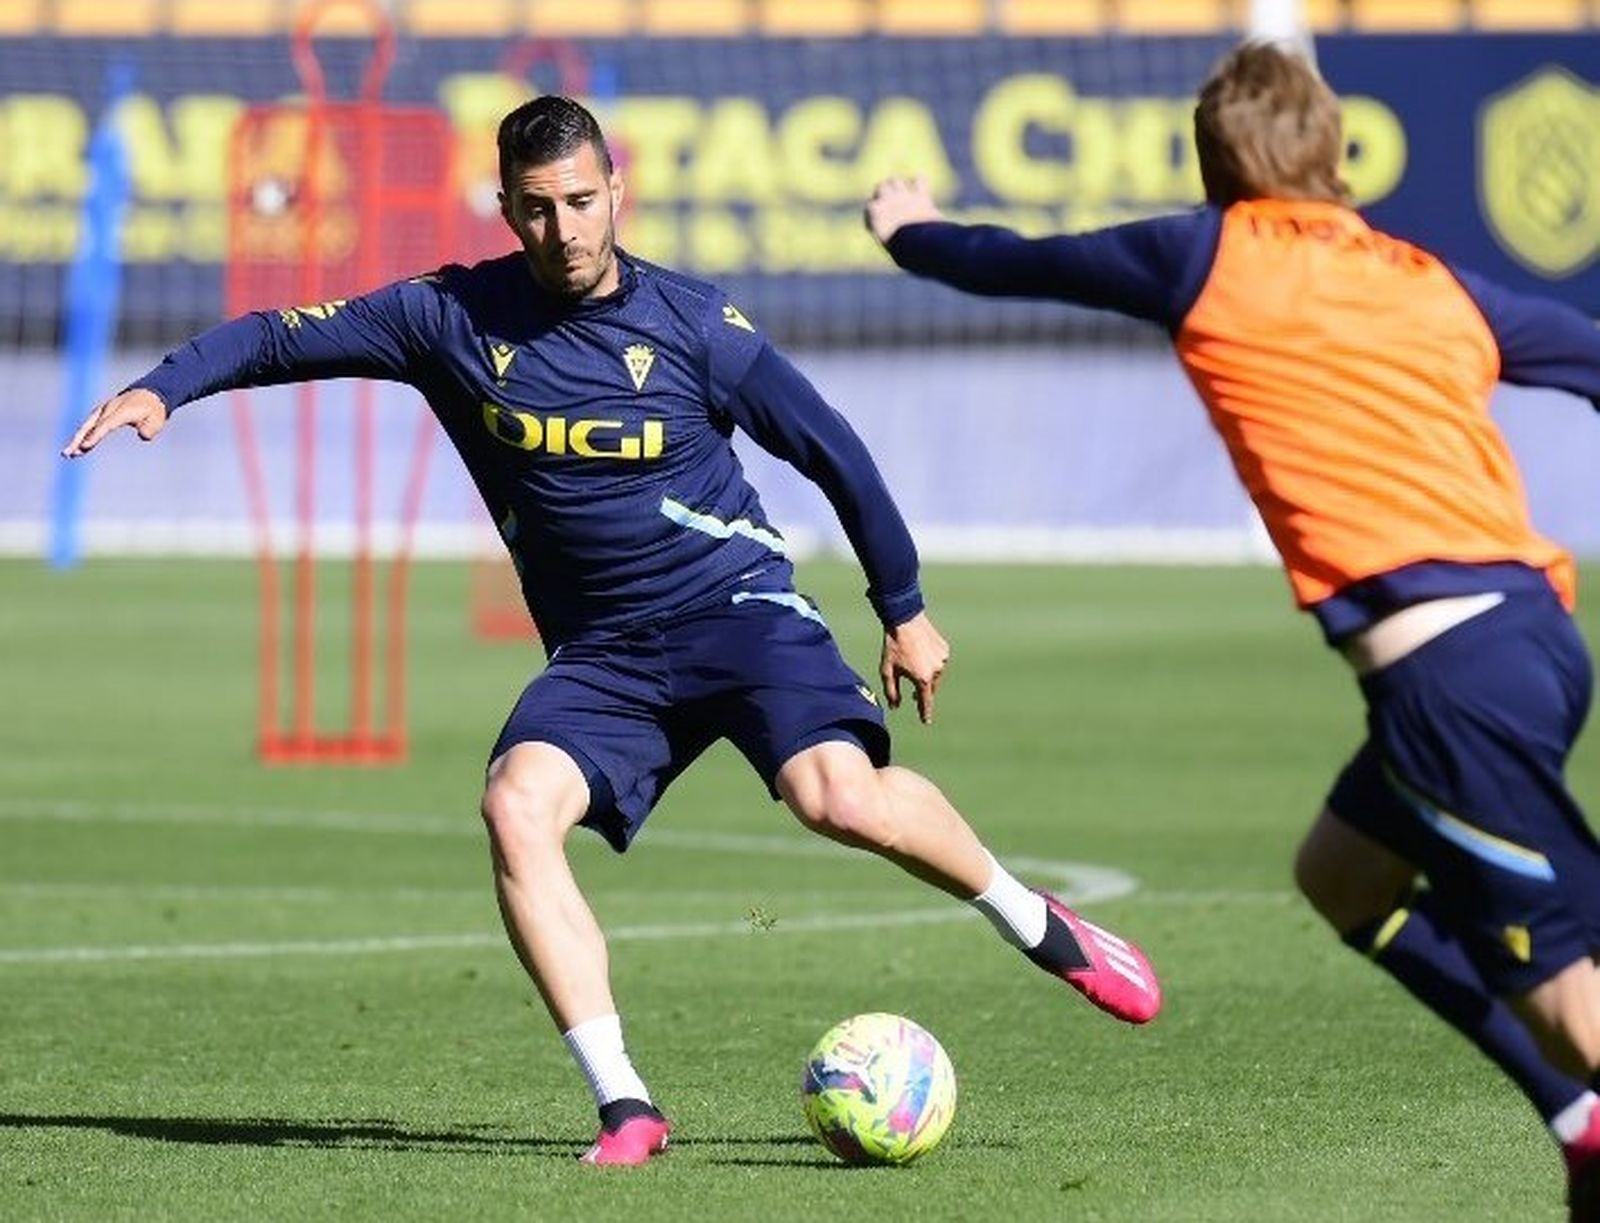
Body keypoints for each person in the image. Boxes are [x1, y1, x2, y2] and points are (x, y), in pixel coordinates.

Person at [62, 95, 1161, 1167]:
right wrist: (164, 389)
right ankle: (625, 1101)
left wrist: (905, 609)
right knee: (513, 803)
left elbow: (832, 448)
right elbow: (277, 333)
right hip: (605, 656)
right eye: (538, 207)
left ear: (616, 190)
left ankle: (1033, 921)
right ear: (506, 207)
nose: (564, 229)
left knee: (840, 798)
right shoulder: (448, 316)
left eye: (582, 200)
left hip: (737, 608)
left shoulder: (693, 323)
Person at [866, 40, 1600, 1219]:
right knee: (1343, 876)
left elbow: (1016, 265)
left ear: (1213, 169)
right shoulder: (1427, 278)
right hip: (1533, 642)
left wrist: (909, 228)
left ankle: (1581, 1098)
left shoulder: (1206, 255)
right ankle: (1576, 1128)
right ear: (1336, 155)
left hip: (1448, 676)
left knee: (1573, 1008)